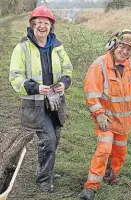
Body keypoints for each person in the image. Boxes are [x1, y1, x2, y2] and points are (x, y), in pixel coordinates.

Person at [9, 5, 73, 192]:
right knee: (48, 140)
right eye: (39, 23)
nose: (42, 26)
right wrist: (35, 87)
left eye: (46, 23)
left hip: (55, 101)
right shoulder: (22, 48)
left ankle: (47, 170)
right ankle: (43, 180)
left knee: (55, 138)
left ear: (50, 26)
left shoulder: (57, 46)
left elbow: (68, 68)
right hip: (35, 104)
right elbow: (15, 77)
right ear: (33, 24)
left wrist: (64, 82)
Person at [79, 29, 131, 200]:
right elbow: (91, 92)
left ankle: (112, 175)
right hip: (106, 120)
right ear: (115, 45)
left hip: (124, 122)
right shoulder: (99, 65)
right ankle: (91, 186)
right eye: (122, 47)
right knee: (104, 149)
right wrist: (99, 114)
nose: (125, 51)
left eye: (129, 49)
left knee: (120, 151)